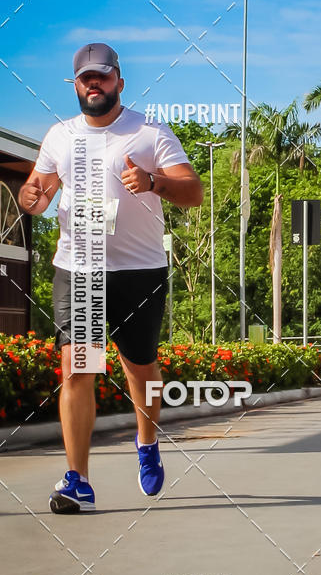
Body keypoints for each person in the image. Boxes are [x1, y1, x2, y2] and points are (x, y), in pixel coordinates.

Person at [18, 43, 203, 514]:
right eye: (86, 78)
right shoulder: (60, 136)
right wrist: (32, 197)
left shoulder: (149, 132)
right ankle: (78, 480)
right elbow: (38, 190)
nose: (94, 84)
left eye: (102, 76)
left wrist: (154, 182)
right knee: (78, 367)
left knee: (140, 368)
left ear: (119, 81)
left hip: (139, 271)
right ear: (75, 85)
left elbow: (193, 192)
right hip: (79, 268)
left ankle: (147, 443)